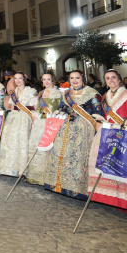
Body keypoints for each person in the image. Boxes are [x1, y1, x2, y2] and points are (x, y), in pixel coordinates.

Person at [86, 69, 127, 213]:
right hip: (108, 132)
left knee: (121, 166)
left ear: (119, 79)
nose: (111, 80)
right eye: (107, 78)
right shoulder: (105, 96)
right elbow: (106, 114)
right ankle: (111, 198)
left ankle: (125, 202)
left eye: (113, 77)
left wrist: (124, 130)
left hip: (124, 133)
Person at [45, 70, 102, 199]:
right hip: (65, 127)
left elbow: (98, 112)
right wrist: (59, 114)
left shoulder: (92, 93)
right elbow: (61, 108)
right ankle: (60, 185)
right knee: (60, 153)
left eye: (77, 78)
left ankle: (76, 188)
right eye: (72, 78)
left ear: (83, 78)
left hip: (83, 129)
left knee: (77, 155)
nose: (75, 80)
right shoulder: (66, 94)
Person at [0, 72, 38, 177]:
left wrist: (31, 116)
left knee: (21, 142)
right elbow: (11, 105)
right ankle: (8, 168)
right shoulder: (13, 92)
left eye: (20, 78)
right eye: (16, 78)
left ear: (24, 79)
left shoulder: (31, 91)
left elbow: (35, 106)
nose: (18, 80)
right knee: (10, 142)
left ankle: (21, 170)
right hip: (13, 117)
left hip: (25, 117)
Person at [26, 73, 64, 185]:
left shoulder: (58, 93)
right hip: (40, 122)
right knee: (35, 145)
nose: (46, 82)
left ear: (53, 80)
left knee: (47, 148)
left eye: (48, 79)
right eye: (44, 80)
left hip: (51, 123)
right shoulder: (41, 93)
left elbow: (61, 108)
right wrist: (34, 119)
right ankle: (34, 175)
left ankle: (47, 177)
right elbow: (38, 109)